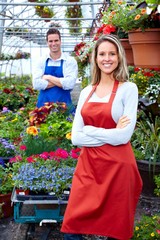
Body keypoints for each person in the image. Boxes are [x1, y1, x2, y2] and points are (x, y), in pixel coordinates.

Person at [61, 34, 143, 240]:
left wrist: (90, 130)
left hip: (119, 168)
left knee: (115, 230)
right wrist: (110, 132)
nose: (107, 58)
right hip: (89, 166)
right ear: (95, 58)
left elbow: (123, 137)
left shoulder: (128, 89)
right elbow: (76, 138)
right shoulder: (87, 91)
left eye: (112, 54)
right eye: (102, 54)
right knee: (73, 227)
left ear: (119, 57)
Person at [32, 28, 78, 110]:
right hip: (43, 107)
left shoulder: (70, 61)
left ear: (60, 41)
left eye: (56, 40)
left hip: (64, 105)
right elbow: (36, 84)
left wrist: (48, 77)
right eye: (50, 41)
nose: (53, 43)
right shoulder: (41, 61)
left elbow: (70, 84)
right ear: (47, 43)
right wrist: (61, 82)